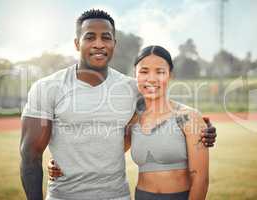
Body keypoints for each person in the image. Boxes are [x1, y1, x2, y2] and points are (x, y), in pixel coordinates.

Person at [20, 9, 216, 200]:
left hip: (117, 195)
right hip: (63, 195)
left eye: (105, 37)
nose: (99, 44)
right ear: (76, 43)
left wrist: (203, 127)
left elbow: (165, 110)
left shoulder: (132, 88)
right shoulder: (46, 87)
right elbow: (30, 155)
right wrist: (68, 161)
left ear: (114, 43)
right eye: (90, 37)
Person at [49, 45, 210, 200]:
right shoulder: (134, 120)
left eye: (160, 72)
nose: (152, 79)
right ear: (136, 75)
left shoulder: (188, 117)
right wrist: (63, 163)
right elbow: (106, 154)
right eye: (144, 72)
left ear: (170, 75)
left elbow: (201, 180)